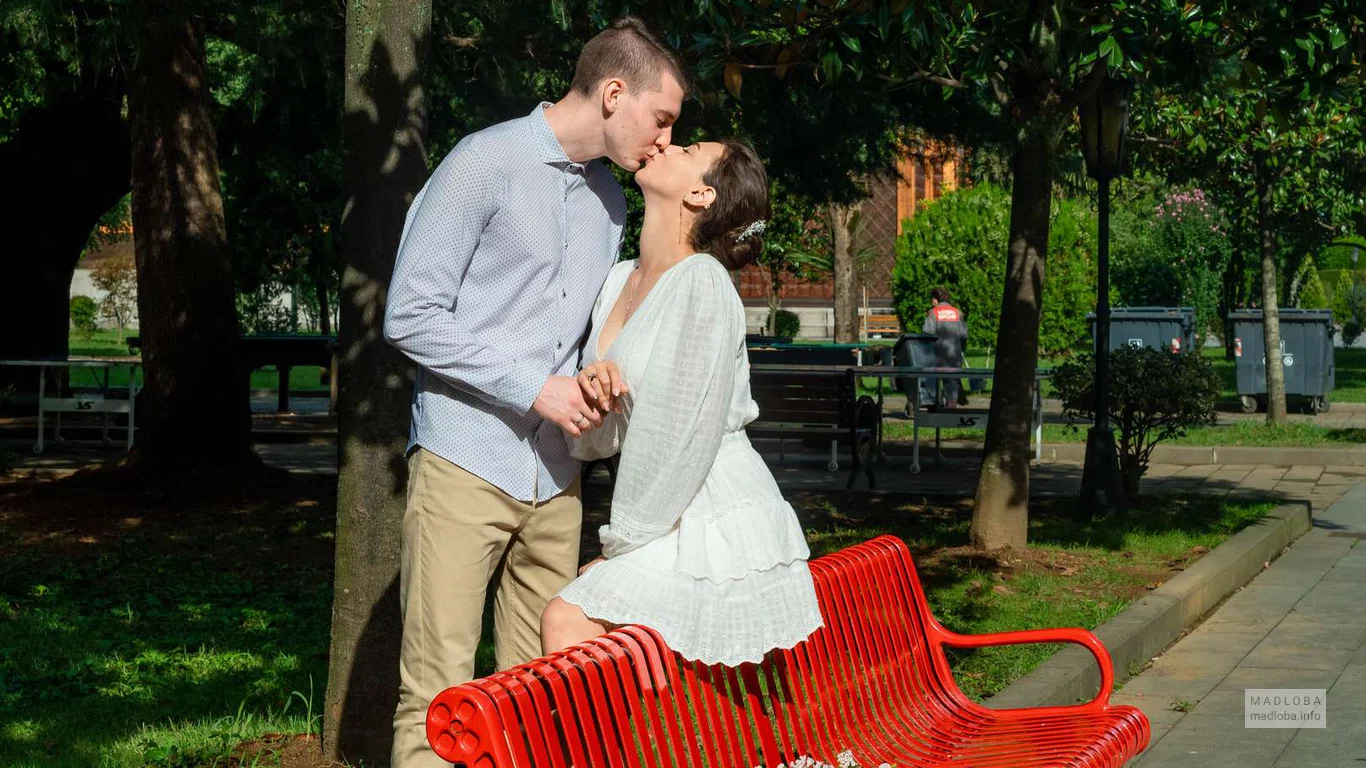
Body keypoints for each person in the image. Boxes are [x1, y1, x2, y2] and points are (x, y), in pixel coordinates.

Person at [382, 17, 687, 768]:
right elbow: (408, 315)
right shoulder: (483, 162)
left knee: (540, 699)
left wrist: (594, 378)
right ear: (614, 94)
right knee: (438, 703)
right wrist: (535, 389)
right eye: (662, 118)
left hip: (557, 480)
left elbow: (575, 332)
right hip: (464, 466)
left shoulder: (612, 203)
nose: (664, 139)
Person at [538, 138, 824, 667]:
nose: (665, 143)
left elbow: (679, 439)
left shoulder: (703, 282)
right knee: (614, 657)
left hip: (711, 513)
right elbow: (596, 443)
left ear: (700, 192)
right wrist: (594, 396)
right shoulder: (620, 280)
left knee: (566, 621)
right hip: (662, 507)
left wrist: (617, 548)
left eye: (688, 147)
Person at [923, 287, 970, 408]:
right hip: (954, 353)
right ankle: (952, 403)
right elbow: (964, 335)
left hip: (937, 355)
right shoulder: (957, 313)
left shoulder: (933, 313)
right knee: (953, 380)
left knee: (932, 379)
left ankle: (936, 402)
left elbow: (927, 334)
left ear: (934, 300)